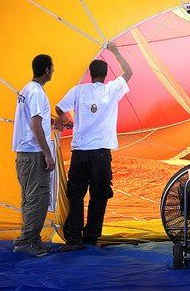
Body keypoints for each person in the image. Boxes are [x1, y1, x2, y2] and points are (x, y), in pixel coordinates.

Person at [56, 42, 133, 251]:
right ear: (106, 75)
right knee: (99, 195)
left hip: (80, 151)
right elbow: (129, 72)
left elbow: (59, 108)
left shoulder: (78, 91)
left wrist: (65, 122)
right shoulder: (111, 88)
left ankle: (73, 238)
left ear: (90, 74)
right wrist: (115, 51)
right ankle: (91, 238)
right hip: (100, 153)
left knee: (76, 194)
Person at [12, 54, 56, 256]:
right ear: (46, 70)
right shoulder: (37, 92)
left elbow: (35, 122)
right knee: (38, 198)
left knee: (30, 199)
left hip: (23, 154)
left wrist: (55, 124)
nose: (53, 71)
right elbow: (35, 124)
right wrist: (48, 154)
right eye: (52, 68)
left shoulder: (26, 90)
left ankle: (31, 238)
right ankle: (26, 242)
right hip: (34, 155)